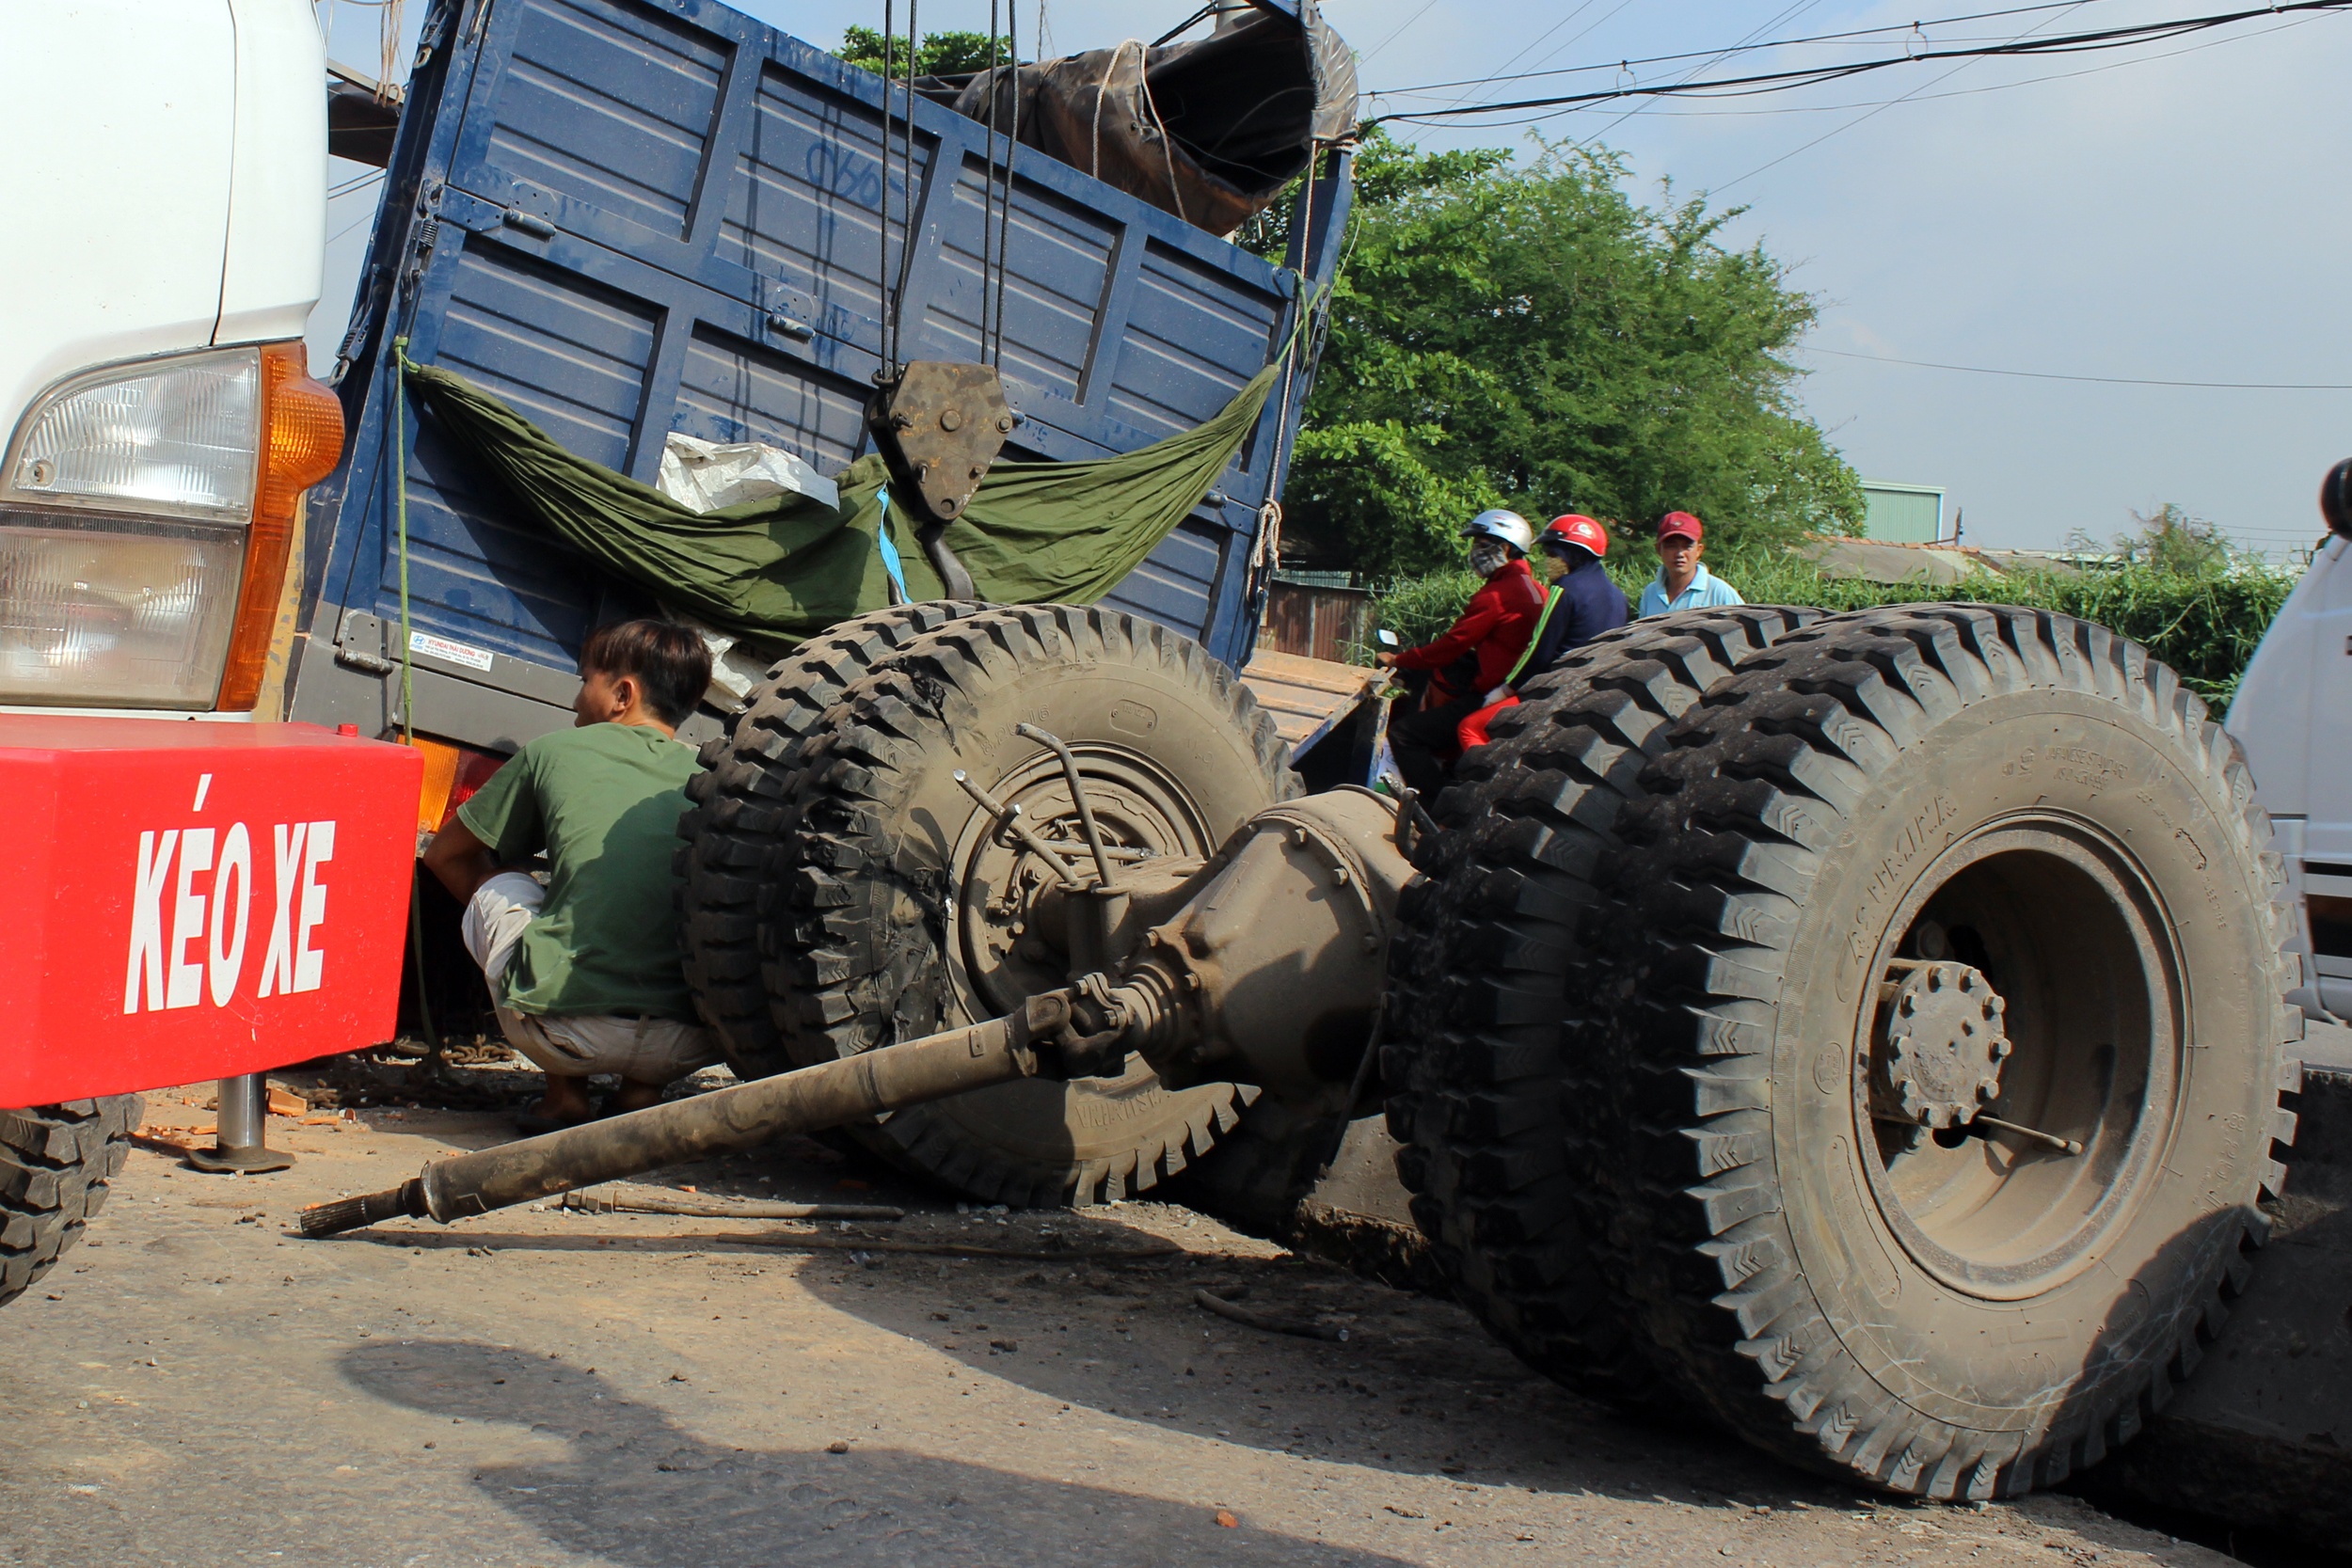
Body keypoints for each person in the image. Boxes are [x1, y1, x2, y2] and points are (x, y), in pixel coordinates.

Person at [421, 619, 721, 1132]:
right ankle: (641, 1091)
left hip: (564, 1034)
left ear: (622, 694)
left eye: (586, 681)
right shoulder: (712, 780)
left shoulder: (552, 751)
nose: (577, 699)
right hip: (690, 1043)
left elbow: (444, 856)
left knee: (511, 885)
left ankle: (564, 1096)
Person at [1374, 509, 1545, 795]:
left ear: (1504, 548)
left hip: (1491, 694)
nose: (1474, 553)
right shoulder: (1536, 590)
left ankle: (1432, 812)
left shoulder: (1498, 594)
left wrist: (1399, 659)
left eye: (1480, 544)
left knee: (1405, 734)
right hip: (1515, 688)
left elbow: (1452, 645)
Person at [1455, 514, 1629, 752]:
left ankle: (1487, 789)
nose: (1549, 562)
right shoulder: (1619, 597)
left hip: (1554, 691)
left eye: (1552, 554)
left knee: (1470, 728)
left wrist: (1505, 689)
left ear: (1568, 552)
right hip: (1593, 693)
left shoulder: (1564, 588)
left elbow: (1540, 650)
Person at [1639, 511, 1745, 615]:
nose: (1680, 553)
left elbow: (1744, 630)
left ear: (1699, 550)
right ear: (1658, 550)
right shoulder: (1650, 593)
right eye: (1671, 546)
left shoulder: (1719, 592)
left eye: (1687, 546)